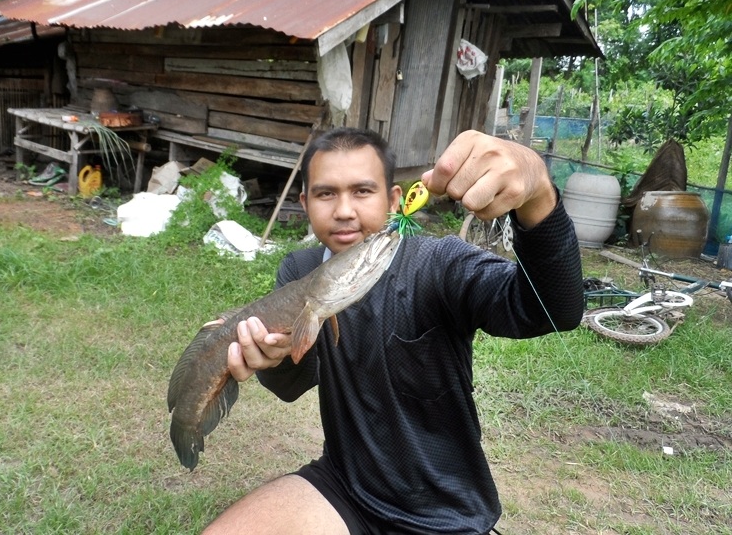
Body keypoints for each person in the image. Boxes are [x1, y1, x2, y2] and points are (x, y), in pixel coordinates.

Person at [203, 127, 584, 535]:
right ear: (305, 202)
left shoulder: (441, 263)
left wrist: (539, 195)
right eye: (326, 193)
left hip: (445, 512)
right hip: (344, 486)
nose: (344, 210)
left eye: (363, 191)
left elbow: (550, 310)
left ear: (395, 200)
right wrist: (271, 359)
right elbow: (292, 383)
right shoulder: (300, 270)